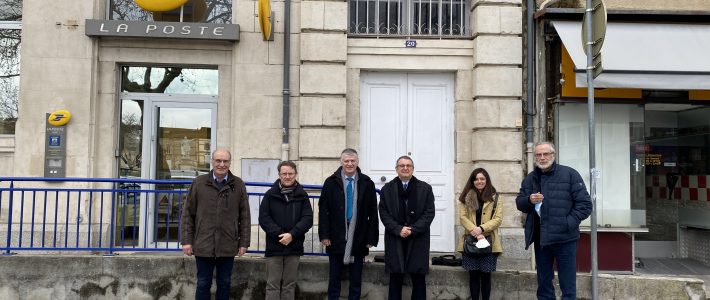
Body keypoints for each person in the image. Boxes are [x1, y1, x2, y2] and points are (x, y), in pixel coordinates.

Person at [515, 142, 592, 300]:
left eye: (546, 154)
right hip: (541, 239)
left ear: (553, 155)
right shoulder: (530, 178)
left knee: (567, 284)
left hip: (565, 239)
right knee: (543, 284)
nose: (542, 158)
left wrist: (567, 223)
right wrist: (529, 200)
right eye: (538, 155)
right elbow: (519, 203)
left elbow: (585, 205)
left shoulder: (570, 174)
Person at [180, 149, 251, 300]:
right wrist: (186, 241)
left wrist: (244, 242)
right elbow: (187, 214)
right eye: (218, 161)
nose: (221, 164)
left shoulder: (238, 184)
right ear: (212, 162)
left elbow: (245, 216)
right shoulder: (199, 183)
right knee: (203, 283)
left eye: (225, 161)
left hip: (227, 243)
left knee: (225, 283)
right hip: (203, 244)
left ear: (230, 163)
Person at [318, 148, 379, 300]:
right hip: (335, 236)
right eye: (347, 161)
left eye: (353, 161)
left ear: (357, 162)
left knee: (356, 280)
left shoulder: (367, 183)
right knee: (334, 279)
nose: (350, 164)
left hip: (359, 236)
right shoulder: (331, 182)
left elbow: (373, 212)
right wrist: (324, 235)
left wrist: (371, 238)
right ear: (341, 162)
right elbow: (323, 210)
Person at [378, 156, 435, 300]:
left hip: (418, 238)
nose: (405, 168)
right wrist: (398, 229)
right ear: (396, 169)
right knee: (395, 277)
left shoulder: (425, 189)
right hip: (395, 237)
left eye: (408, 165)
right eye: (401, 165)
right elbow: (383, 213)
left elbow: (429, 213)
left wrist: (413, 230)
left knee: (418, 277)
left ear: (413, 169)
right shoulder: (387, 189)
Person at [259, 161, 313, 300]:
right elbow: (264, 218)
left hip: (294, 245)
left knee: (289, 285)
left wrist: (292, 235)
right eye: (284, 174)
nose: (287, 176)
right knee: (272, 284)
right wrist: (280, 234)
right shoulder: (270, 195)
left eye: (290, 173)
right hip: (274, 246)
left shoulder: (302, 195)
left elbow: (307, 218)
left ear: (295, 174)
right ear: (279, 175)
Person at [457, 168, 503, 300]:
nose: (479, 181)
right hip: (471, 241)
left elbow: (498, 219)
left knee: (486, 275)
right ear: (472, 181)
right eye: (476, 179)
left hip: (488, 241)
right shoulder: (465, 196)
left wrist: (481, 229)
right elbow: (462, 217)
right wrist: (476, 232)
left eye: (482, 179)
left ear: (487, 180)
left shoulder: (496, 197)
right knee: (473, 275)